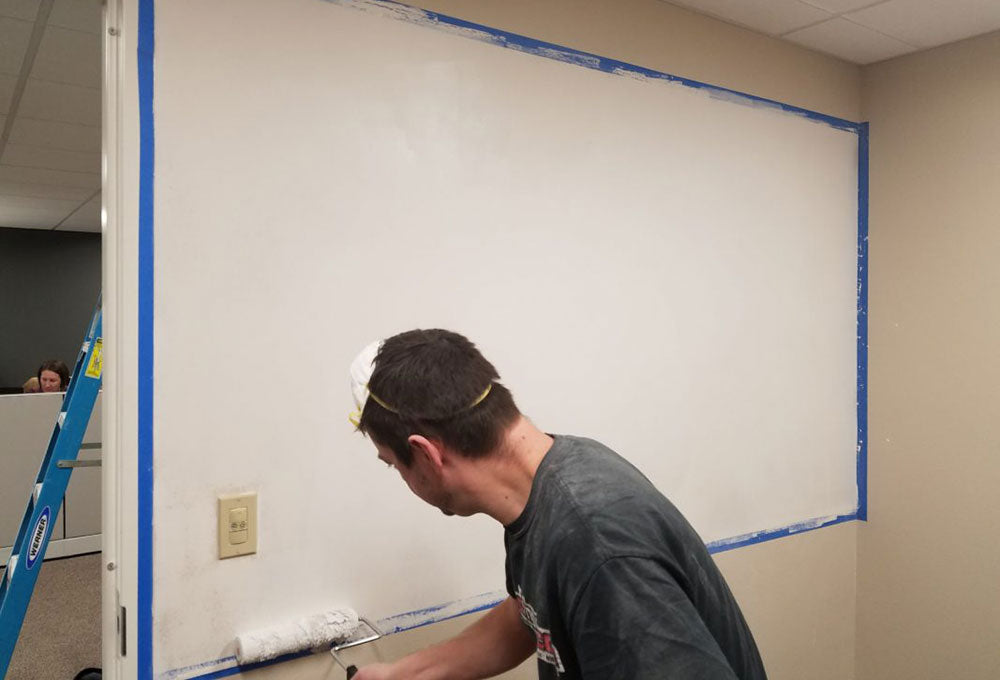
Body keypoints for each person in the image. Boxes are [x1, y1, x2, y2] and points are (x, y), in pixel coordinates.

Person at [349, 330, 767, 680]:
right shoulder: (549, 478)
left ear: (426, 455)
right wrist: (401, 673)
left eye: (393, 465)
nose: (401, 479)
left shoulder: (597, 543)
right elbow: (531, 616)